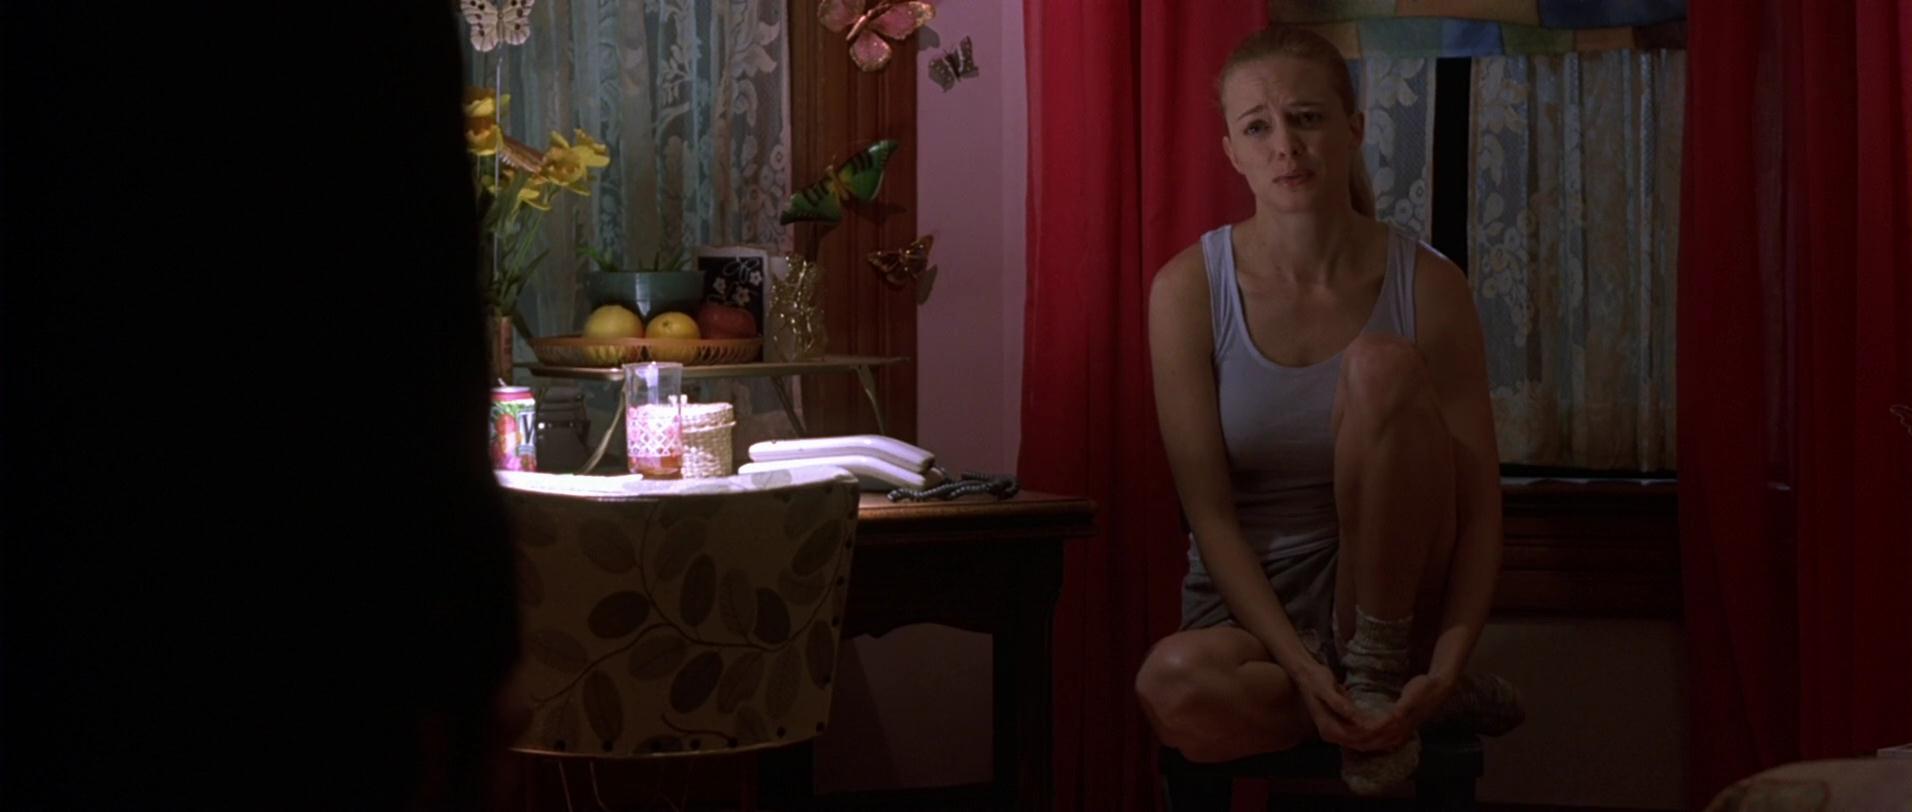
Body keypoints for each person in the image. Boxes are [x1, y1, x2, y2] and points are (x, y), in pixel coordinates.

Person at [1133, 25, 1518, 794]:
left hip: (1390, 595)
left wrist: (1446, 661)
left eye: (1306, 117)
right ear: (1232, 152)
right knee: (1171, 688)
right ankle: (1383, 714)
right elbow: (1210, 518)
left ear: (1353, 129)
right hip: (1253, 615)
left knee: (1380, 366)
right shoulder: (1186, 290)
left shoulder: (1429, 284)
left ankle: (1378, 676)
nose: (1286, 145)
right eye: (1258, 127)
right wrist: (1305, 671)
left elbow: (1478, 511)